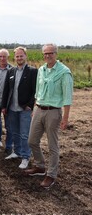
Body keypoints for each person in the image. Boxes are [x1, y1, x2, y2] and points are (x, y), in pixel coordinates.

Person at [25, 44, 73, 189]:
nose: (48, 56)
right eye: (45, 53)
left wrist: (65, 118)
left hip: (53, 111)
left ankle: (51, 174)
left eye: (50, 53)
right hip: (39, 108)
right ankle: (40, 166)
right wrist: (35, 108)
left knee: (52, 145)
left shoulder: (64, 72)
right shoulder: (41, 70)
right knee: (32, 140)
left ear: (56, 54)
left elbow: (67, 97)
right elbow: (38, 91)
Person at [2, 47, 37, 169]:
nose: (19, 58)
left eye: (21, 56)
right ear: (14, 57)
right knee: (14, 132)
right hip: (12, 108)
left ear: (25, 56)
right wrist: (4, 106)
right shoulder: (11, 71)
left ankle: (25, 157)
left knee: (24, 134)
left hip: (24, 109)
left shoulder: (32, 71)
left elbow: (35, 91)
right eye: (17, 56)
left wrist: (30, 105)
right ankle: (16, 152)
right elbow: (6, 90)